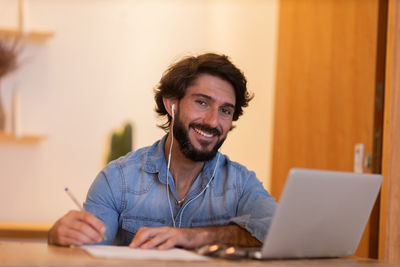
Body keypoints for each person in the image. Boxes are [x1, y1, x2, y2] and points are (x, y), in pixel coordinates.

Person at [48, 53, 277, 249]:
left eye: (225, 110)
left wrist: (199, 237)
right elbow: (87, 251)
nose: (213, 121)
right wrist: (59, 236)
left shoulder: (241, 183)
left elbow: (279, 231)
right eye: (202, 102)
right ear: (171, 105)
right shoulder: (117, 179)